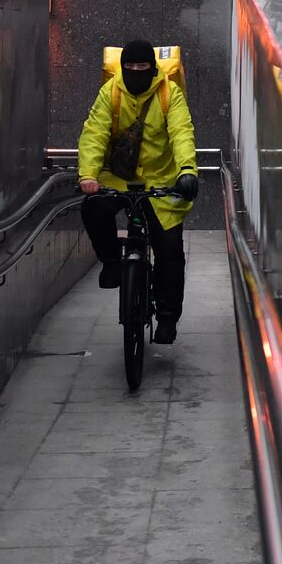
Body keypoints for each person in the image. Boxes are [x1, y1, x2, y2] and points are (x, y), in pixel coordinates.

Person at [77, 40, 201, 345]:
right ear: (121, 68)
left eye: (142, 67)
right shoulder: (111, 93)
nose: (135, 72)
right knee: (93, 208)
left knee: (169, 252)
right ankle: (112, 263)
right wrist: (89, 175)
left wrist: (187, 171)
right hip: (119, 178)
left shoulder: (169, 94)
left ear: (153, 68)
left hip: (162, 180)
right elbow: (94, 133)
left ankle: (168, 319)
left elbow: (182, 133)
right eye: (129, 67)